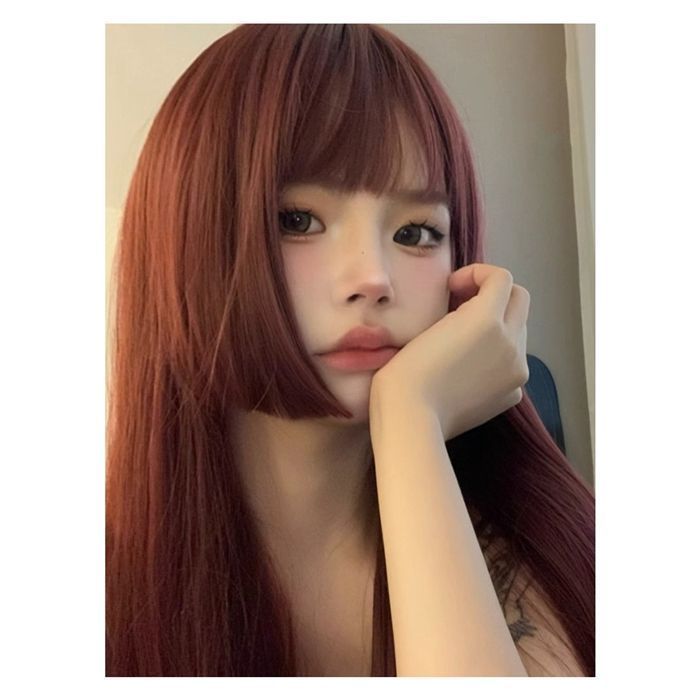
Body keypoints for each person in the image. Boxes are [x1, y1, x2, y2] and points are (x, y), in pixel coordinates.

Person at [106, 24, 595, 677]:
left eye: (415, 232)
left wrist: (411, 419)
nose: (372, 278)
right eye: (297, 220)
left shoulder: (540, 545)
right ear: (180, 238)